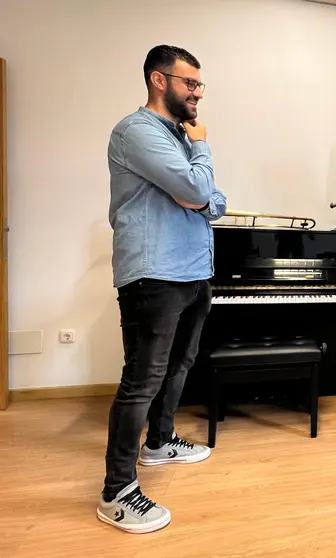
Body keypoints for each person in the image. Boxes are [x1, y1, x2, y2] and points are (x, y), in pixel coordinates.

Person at [98, 45, 227, 533]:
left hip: (193, 270)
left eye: (199, 85)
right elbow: (198, 192)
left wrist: (197, 190)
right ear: (159, 80)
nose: (197, 93)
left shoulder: (179, 137)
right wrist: (202, 153)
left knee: (181, 364)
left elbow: (214, 201)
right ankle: (117, 492)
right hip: (155, 273)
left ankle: (161, 441)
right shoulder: (137, 132)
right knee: (141, 381)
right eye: (189, 83)